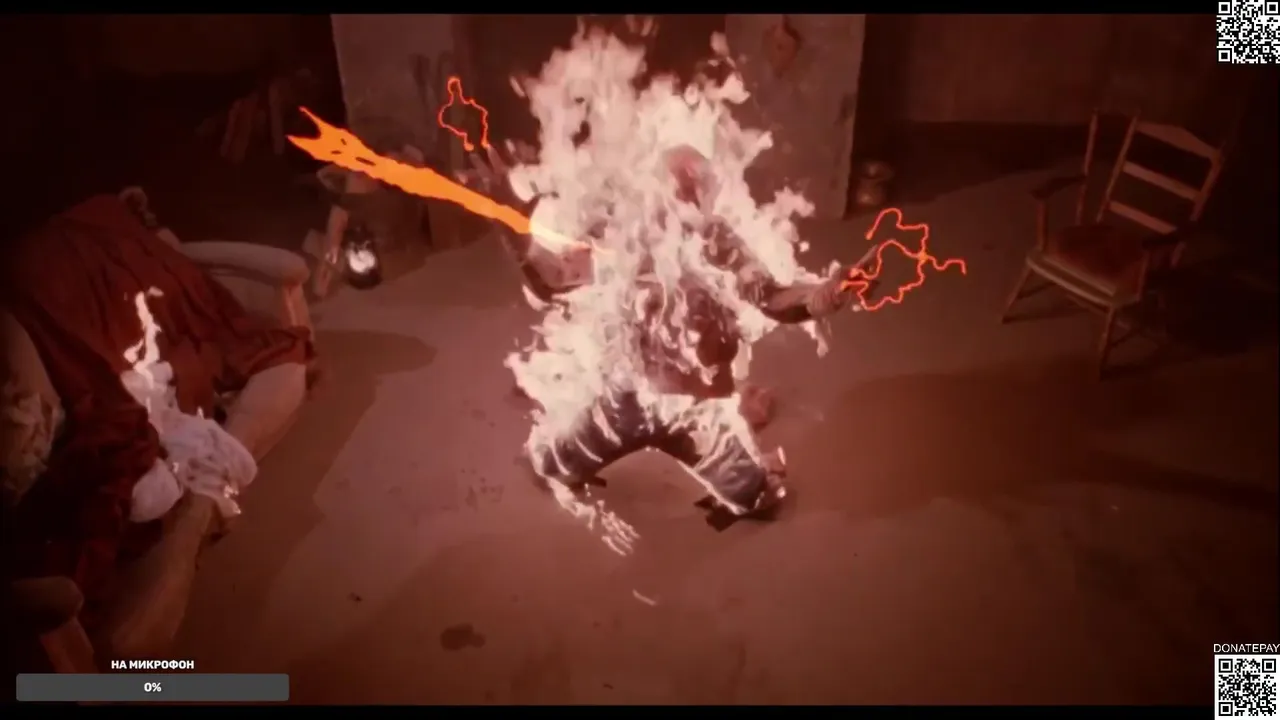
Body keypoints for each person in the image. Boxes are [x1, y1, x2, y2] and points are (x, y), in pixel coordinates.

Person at [460, 143, 857, 520]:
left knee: (757, 497)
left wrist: (820, 297)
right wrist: (509, 225)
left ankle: (738, 407)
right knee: (551, 466)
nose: (685, 200)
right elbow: (549, 285)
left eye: (695, 189)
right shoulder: (620, 240)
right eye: (675, 189)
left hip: (696, 410)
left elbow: (770, 297)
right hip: (627, 399)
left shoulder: (720, 243)